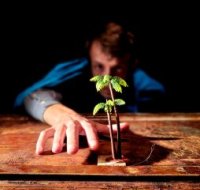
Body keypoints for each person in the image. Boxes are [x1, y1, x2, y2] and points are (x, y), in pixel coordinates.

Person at [14, 21, 165, 155]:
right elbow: (33, 96)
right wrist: (61, 115)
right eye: (99, 66)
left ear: (131, 64)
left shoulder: (148, 89)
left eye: (117, 69)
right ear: (89, 58)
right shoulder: (73, 72)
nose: (106, 78)